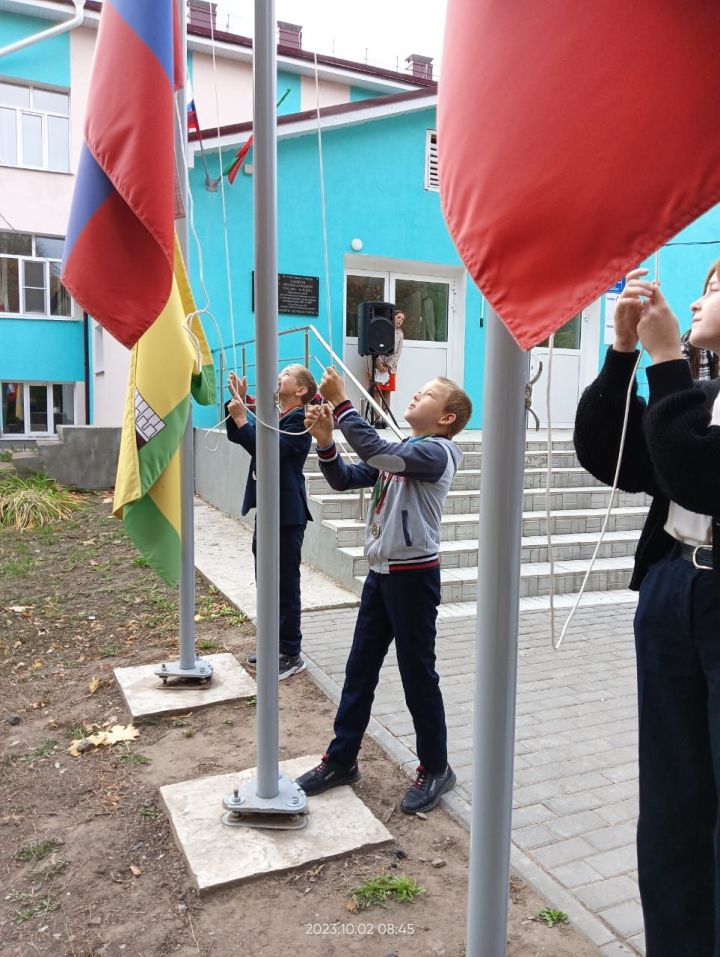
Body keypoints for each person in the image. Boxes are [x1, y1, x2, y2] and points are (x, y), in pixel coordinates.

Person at [574, 263, 720, 956]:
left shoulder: (684, 385)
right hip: (672, 588)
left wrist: (666, 362)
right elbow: (611, 453)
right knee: (671, 808)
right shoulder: (700, 390)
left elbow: (701, 470)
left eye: (717, 288)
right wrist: (623, 353)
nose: (696, 297)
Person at [296, 367, 472, 814]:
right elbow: (344, 477)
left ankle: (436, 768)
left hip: (414, 579)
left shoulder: (439, 454)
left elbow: (373, 449)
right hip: (382, 576)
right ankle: (341, 761)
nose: (415, 395)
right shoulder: (403, 454)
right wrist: (324, 442)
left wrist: (341, 404)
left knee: (418, 676)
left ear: (447, 418)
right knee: (359, 670)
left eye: (427, 393)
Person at [225, 364, 317, 680]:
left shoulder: (300, 420)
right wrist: (236, 405)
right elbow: (243, 438)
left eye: (288, 372)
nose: (279, 373)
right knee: (266, 580)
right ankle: (272, 646)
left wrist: (242, 416)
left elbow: (269, 451)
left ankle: (290, 653)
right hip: (270, 509)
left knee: (284, 585)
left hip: (287, 514)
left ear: (302, 389)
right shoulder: (280, 417)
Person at [367, 309, 405, 426]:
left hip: (390, 369)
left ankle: (385, 420)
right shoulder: (382, 328)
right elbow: (374, 346)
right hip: (378, 367)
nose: (400, 321)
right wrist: (379, 363)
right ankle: (377, 419)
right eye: (399, 317)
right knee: (377, 392)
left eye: (402, 319)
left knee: (387, 393)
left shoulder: (400, 334)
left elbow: (398, 352)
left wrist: (388, 365)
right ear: (393, 317)